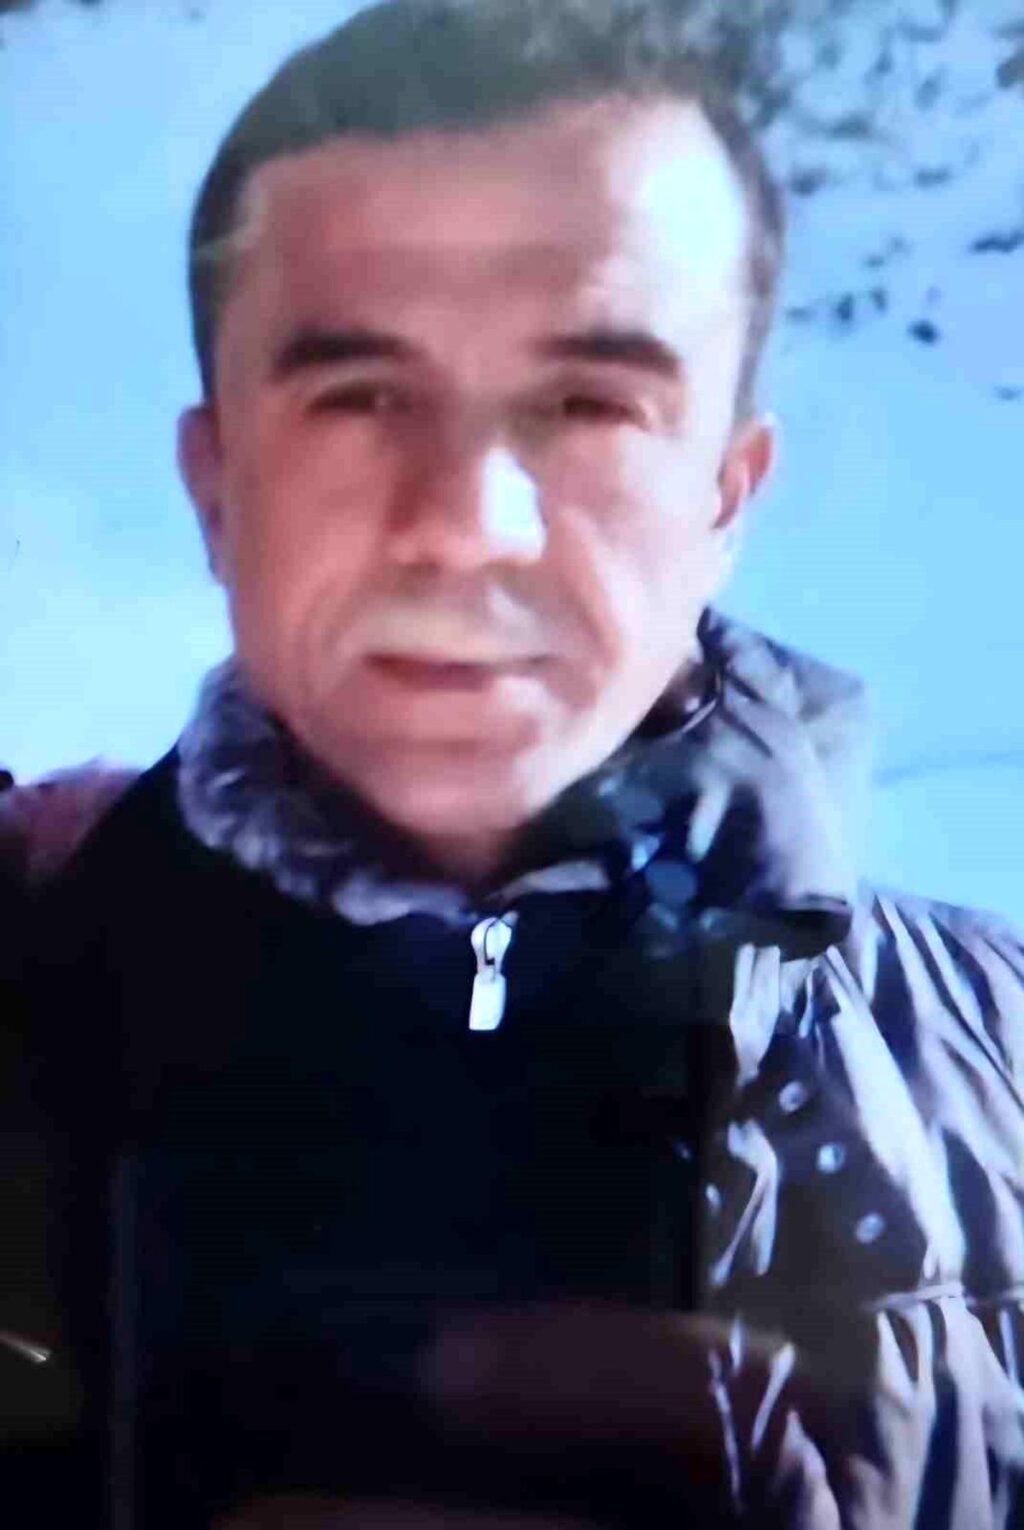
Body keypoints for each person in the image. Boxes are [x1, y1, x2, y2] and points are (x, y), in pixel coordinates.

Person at [4, 1, 1023, 1525]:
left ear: (728, 492)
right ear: (216, 487)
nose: (470, 521)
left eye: (589, 403)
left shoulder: (1003, 1075)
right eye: (360, 396)